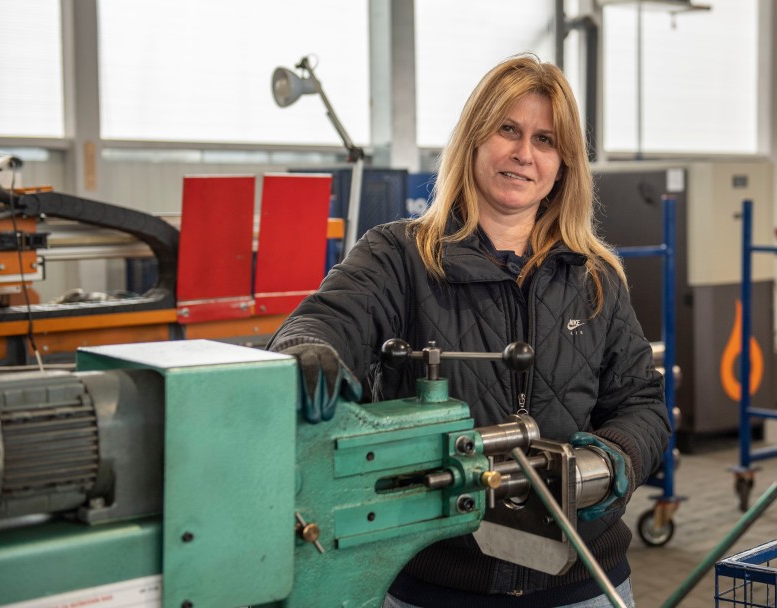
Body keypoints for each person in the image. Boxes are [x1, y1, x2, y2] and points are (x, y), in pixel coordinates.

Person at [269, 54, 670, 608]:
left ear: (564, 164)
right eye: (508, 129)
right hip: (437, 582)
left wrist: (612, 462)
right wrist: (306, 349)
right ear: (474, 139)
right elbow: (325, 320)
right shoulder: (399, 256)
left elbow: (644, 404)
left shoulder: (593, 276)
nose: (524, 153)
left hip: (582, 583)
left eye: (545, 140)